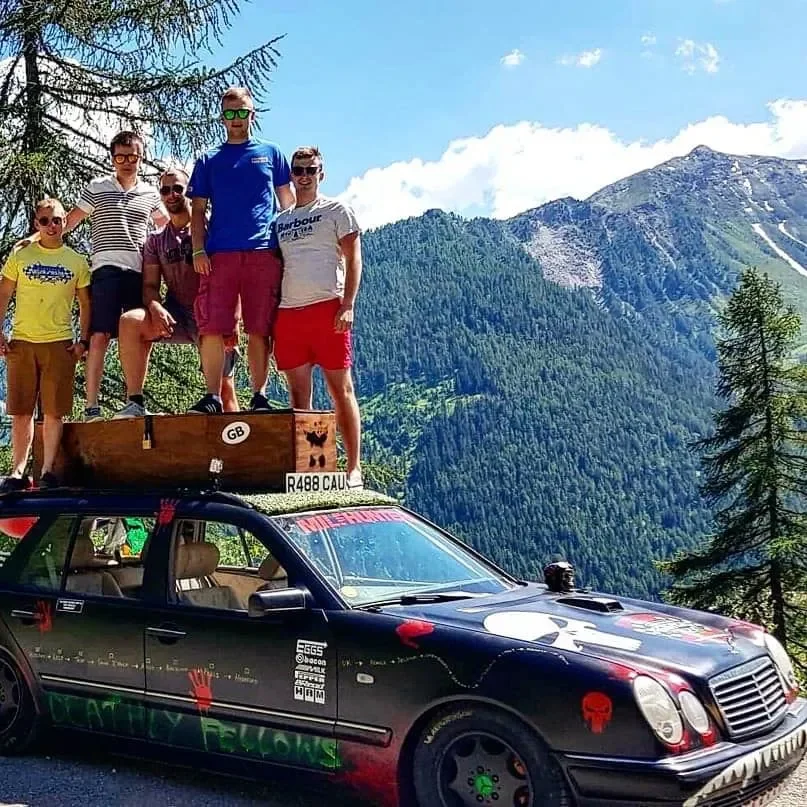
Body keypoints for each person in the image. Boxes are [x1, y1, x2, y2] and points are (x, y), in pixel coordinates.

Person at [188, 86, 294, 415]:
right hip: (219, 255)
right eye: (230, 113)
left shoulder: (271, 153)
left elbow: (287, 203)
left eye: (242, 112)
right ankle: (212, 396)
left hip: (263, 251)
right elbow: (197, 210)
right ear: (222, 118)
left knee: (260, 327)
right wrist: (198, 250)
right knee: (212, 327)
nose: (236, 119)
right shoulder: (209, 159)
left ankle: (259, 396)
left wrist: (292, 246)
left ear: (253, 114)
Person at [113, 168, 239, 418]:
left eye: (177, 188)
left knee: (225, 392)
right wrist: (155, 307)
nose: (171, 194)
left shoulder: (212, 230)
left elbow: (232, 278)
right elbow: (150, 286)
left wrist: (233, 320)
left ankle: (238, 437)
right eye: (165, 190)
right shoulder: (156, 240)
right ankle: (135, 401)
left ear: (189, 191)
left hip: (213, 317)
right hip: (177, 316)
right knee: (130, 322)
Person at [274, 147, 363, 488]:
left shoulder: (337, 210)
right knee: (300, 397)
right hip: (289, 313)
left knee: (341, 390)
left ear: (321, 174)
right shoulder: (281, 221)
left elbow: (354, 259)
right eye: (299, 170)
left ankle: (353, 468)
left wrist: (348, 303)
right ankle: (315, 469)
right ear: (292, 175)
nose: (304, 176)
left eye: (310, 170)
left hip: (328, 309)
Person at [63, 131, 166, 421]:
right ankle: (91, 407)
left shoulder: (150, 194)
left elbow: (167, 225)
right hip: (105, 269)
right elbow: (70, 220)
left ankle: (135, 400)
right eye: (120, 157)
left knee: (138, 335)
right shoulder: (97, 187)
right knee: (100, 335)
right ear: (112, 159)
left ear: (141, 158)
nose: (127, 162)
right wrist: (37, 239)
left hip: (137, 271)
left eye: (132, 156)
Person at [0, 198, 91, 490]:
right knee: (21, 411)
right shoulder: (21, 256)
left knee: (54, 411)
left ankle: (48, 471)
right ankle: (18, 471)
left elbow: (85, 304)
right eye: (44, 221)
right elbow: (4, 294)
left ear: (65, 222)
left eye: (57, 220)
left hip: (59, 343)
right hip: (22, 342)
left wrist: (83, 341)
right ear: (36, 223)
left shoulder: (76, 261)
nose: (51, 226)